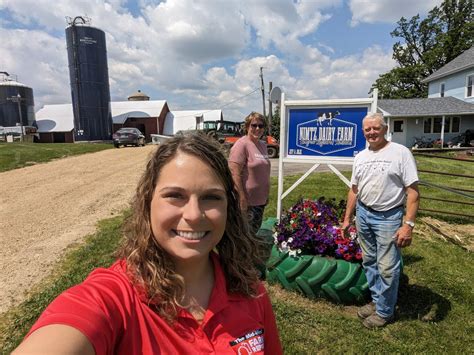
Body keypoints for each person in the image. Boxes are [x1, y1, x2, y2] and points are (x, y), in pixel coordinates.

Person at [14, 133, 282, 354]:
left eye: (211, 197)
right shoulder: (116, 297)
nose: (193, 214)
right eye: (175, 195)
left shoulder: (251, 292)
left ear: (228, 209)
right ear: (147, 204)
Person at [342, 112, 420, 329]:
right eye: (367, 129)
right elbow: (354, 190)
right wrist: (347, 218)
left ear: (384, 128)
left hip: (388, 217)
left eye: (375, 128)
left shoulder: (400, 153)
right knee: (370, 262)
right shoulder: (361, 156)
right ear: (363, 132)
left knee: (387, 267)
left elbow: (412, 192)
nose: (371, 132)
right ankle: (378, 301)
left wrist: (408, 225)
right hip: (364, 214)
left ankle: (385, 311)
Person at [228, 112, 271, 237]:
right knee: (245, 235)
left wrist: (266, 194)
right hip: (248, 201)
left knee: (254, 231)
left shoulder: (262, 145)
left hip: (260, 200)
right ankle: (242, 256)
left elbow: (264, 172)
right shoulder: (241, 145)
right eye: (254, 125)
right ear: (247, 126)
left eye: (261, 126)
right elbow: (234, 173)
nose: (257, 128)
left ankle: (249, 255)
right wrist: (241, 197)